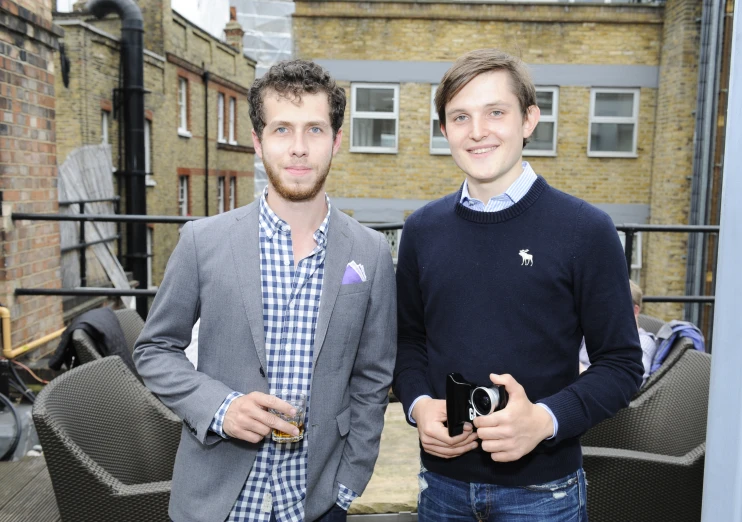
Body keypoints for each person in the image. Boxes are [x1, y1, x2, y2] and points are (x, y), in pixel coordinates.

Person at [134, 59, 396, 522]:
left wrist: (348, 483)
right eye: (281, 130)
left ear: (336, 140)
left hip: (316, 500)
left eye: (315, 130)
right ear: (258, 142)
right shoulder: (203, 241)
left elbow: (373, 377)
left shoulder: (371, 252)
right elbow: (155, 350)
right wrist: (221, 408)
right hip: (217, 502)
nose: (298, 149)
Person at [393, 49, 643, 521]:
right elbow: (409, 342)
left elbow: (623, 364)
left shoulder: (586, 230)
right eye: (460, 117)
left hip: (543, 494)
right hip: (440, 488)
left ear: (530, 119)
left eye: (495, 112)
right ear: (444, 130)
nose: (478, 130)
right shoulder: (422, 230)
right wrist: (419, 405)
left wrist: (544, 421)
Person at [579, 279, 658, 386]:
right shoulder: (599, 332)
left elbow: (631, 382)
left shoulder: (643, 341)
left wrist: (578, 368)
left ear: (635, 311)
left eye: (613, 307)